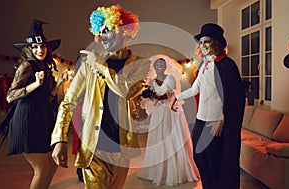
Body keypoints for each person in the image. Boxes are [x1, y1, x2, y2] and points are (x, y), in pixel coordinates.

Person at [51, 4, 150, 189]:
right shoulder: (89, 62)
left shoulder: (140, 64)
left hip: (122, 148)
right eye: (98, 31)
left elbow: (126, 91)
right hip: (94, 146)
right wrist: (59, 138)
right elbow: (68, 102)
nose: (100, 37)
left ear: (123, 30)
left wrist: (100, 66)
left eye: (107, 30)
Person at [171, 23, 245, 189]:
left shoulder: (226, 65)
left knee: (214, 163)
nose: (202, 45)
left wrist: (222, 119)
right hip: (201, 119)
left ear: (216, 44)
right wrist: (176, 97)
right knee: (199, 157)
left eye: (206, 41)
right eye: (201, 42)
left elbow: (233, 97)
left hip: (214, 121)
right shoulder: (204, 65)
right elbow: (195, 89)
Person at [5, 20, 68, 189]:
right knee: (42, 167)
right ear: (29, 49)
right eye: (35, 47)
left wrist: (58, 84)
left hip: (40, 119)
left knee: (52, 164)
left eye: (43, 47)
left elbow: (46, 99)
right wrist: (35, 85)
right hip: (27, 122)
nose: (40, 50)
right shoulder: (27, 66)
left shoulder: (44, 66)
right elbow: (10, 96)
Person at [136, 55, 199, 186]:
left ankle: (175, 171)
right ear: (153, 67)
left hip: (170, 112)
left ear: (166, 67)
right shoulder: (151, 82)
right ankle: (157, 171)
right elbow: (152, 99)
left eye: (161, 64)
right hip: (159, 112)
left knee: (172, 140)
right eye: (156, 65)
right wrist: (149, 96)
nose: (159, 67)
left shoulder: (171, 78)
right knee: (158, 140)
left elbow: (168, 95)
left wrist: (153, 96)